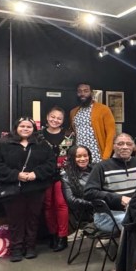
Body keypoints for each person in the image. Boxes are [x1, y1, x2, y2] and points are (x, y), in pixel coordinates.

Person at [0, 117, 56, 262]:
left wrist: (36, 174)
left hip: (35, 188)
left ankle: (30, 247)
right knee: (15, 220)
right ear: (16, 128)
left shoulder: (42, 144)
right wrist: (16, 175)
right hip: (12, 188)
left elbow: (51, 163)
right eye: (22, 126)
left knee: (33, 219)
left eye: (29, 127)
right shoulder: (4, 143)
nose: (25, 129)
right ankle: (16, 249)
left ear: (34, 129)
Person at [84, 133, 136, 233]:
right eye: (120, 144)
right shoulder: (101, 167)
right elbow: (89, 192)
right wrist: (119, 198)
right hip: (107, 216)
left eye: (129, 144)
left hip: (133, 211)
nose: (125, 147)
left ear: (133, 146)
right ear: (113, 146)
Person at [41, 106, 75, 252]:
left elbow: (74, 154)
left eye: (59, 118)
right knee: (48, 205)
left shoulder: (69, 135)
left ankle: (62, 236)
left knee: (61, 204)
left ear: (63, 120)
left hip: (63, 174)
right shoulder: (38, 135)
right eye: (53, 117)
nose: (55, 120)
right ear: (47, 117)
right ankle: (52, 234)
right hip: (44, 174)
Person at [69, 82, 116, 161]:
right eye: (79, 91)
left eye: (86, 91)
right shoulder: (73, 112)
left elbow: (111, 135)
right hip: (80, 157)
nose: (82, 94)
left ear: (91, 93)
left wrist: (106, 157)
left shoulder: (104, 109)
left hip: (98, 157)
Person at [60, 145, 95, 231]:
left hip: (104, 209)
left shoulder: (96, 169)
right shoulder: (66, 176)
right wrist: (95, 204)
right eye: (78, 156)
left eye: (85, 155)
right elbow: (71, 201)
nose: (83, 159)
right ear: (72, 158)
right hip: (85, 215)